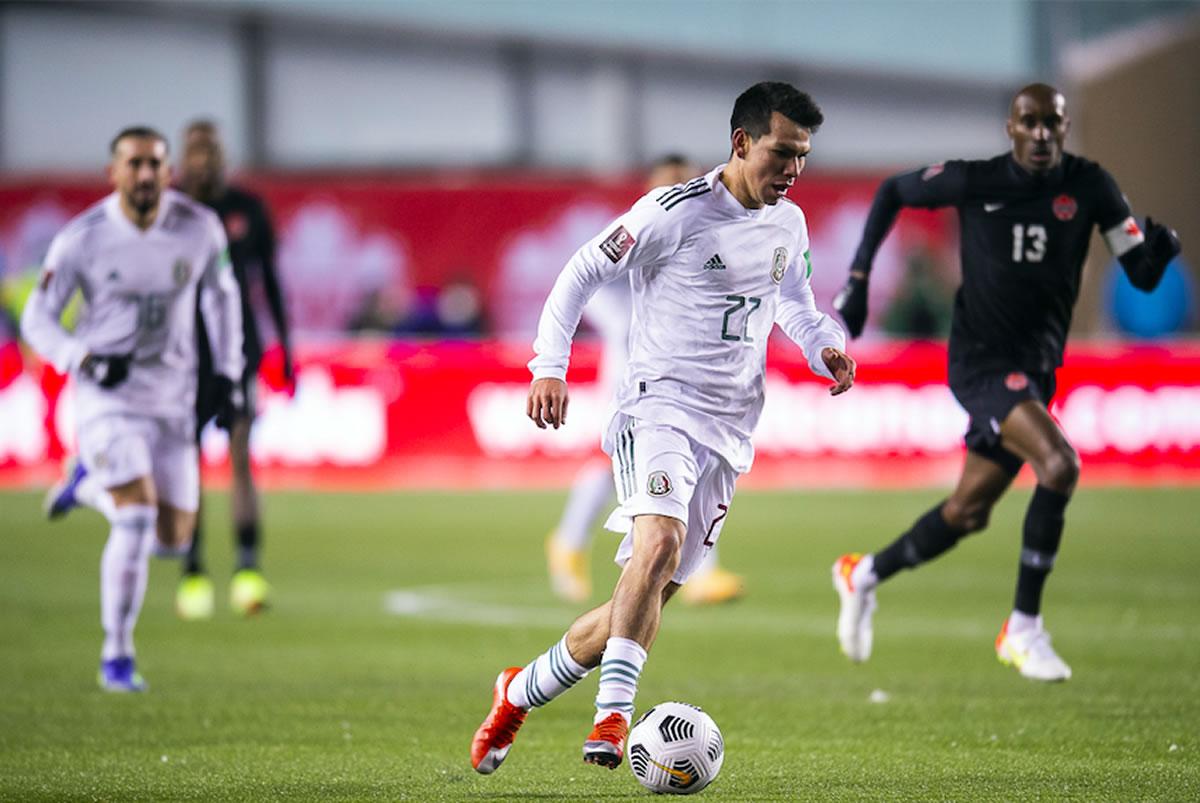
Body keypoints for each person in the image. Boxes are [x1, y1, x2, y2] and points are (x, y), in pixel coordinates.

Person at [471, 81, 855, 775]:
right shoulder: (675, 213)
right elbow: (582, 268)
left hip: (730, 428)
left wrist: (821, 344)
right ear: (741, 142)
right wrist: (547, 365)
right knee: (660, 537)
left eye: (803, 156)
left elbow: (793, 303)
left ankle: (518, 690)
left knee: (640, 594)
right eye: (782, 152)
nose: (794, 170)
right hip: (658, 406)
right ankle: (613, 718)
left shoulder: (787, 224)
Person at [830, 83, 1181, 682]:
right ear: (1010, 129)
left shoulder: (1091, 186)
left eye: (1053, 122)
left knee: (967, 512)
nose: (1042, 133)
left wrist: (1162, 252)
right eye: (1030, 122)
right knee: (1060, 464)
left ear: (1065, 128)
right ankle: (1023, 628)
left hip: (1037, 369)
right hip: (982, 362)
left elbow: (1140, 274)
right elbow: (892, 192)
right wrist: (859, 280)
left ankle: (861, 574)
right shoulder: (975, 180)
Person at [23, 126, 243, 691]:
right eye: (134, 164)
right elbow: (36, 319)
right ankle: (116, 655)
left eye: (155, 165)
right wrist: (82, 357)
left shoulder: (199, 228)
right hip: (107, 398)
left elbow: (223, 299)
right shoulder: (83, 238)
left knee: (172, 540)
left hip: (172, 399)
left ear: (168, 173)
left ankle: (86, 486)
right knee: (138, 515)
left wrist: (228, 372)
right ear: (113, 173)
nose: (145, 175)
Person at [546, 153, 746, 606]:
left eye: (686, 181)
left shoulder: (700, 235)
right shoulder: (637, 232)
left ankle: (693, 571)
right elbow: (584, 280)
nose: (679, 191)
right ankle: (570, 541)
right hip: (629, 377)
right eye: (669, 183)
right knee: (619, 466)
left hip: (679, 380)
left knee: (687, 467)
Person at [174, 120, 293, 620]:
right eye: (195, 157)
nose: (203, 166)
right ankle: (194, 570)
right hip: (182, 353)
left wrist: (287, 349)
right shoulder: (170, 212)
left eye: (210, 156)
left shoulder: (247, 210)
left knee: (241, 454)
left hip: (239, 347)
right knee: (186, 463)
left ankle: (247, 567)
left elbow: (269, 280)